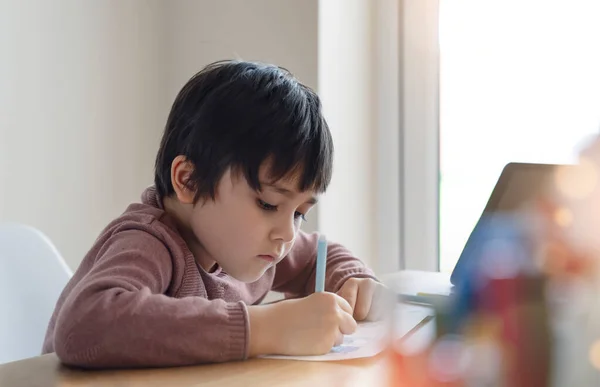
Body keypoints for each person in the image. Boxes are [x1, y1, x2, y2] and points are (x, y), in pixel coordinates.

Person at [42, 60, 384, 368]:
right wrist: (264, 328)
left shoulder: (250, 244)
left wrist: (350, 280)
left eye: (299, 213)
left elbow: (316, 256)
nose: (287, 233)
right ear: (188, 180)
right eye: (268, 204)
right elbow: (86, 325)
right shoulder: (150, 243)